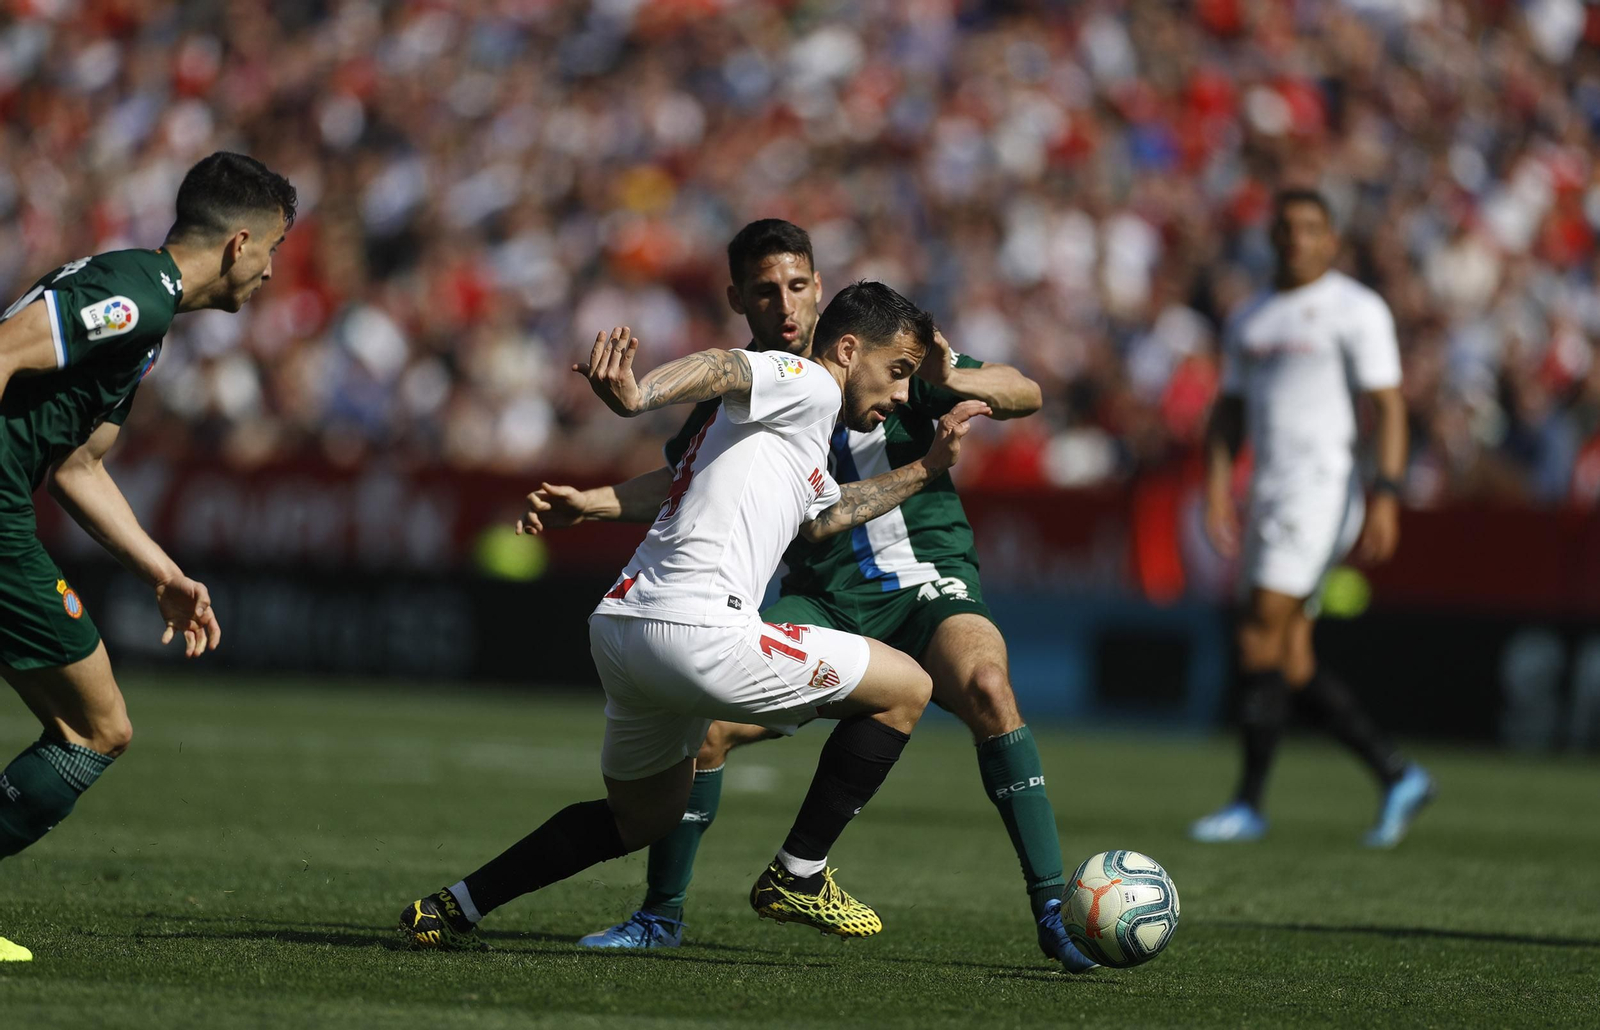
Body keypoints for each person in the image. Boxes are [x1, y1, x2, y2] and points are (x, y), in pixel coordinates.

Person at [521, 220, 1096, 973]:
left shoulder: (887, 348)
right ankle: (661, 915)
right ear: (739, 301)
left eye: (797, 286)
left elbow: (1026, 392)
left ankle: (1052, 910)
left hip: (927, 580)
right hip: (823, 595)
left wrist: (953, 376)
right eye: (766, 291)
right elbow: (684, 479)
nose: (786, 304)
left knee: (988, 684)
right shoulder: (750, 382)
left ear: (820, 288)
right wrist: (594, 503)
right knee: (707, 730)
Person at [399, 283, 990, 950]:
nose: (905, 393)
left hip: (623, 629)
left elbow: (827, 516)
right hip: (699, 633)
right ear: (849, 350)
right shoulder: (809, 382)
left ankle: (452, 908)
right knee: (909, 685)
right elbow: (727, 365)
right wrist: (638, 396)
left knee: (641, 818)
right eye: (899, 371)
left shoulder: (790, 433)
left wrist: (927, 468)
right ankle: (799, 872)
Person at [0, 152, 296, 961]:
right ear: (239, 244)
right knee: (95, 728)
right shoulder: (135, 295)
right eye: (272, 250)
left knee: (96, 726)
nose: (272, 273)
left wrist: (162, 571)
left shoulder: (145, 314)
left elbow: (77, 466)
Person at [1190, 188, 1435, 848]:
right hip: (1268, 492)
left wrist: (1387, 493)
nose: (1297, 238)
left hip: (1322, 489)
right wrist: (1217, 488)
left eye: (1310, 228)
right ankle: (1397, 773)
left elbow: (1389, 406)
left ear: (1331, 240)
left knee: (1257, 633)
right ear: (1272, 238)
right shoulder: (1251, 316)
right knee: (1292, 657)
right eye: (1286, 228)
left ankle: (1248, 804)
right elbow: (1229, 411)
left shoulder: (1356, 309)